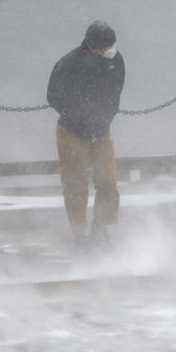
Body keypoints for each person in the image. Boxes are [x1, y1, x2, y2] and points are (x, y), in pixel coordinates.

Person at [46, 20, 125, 243]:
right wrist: (78, 114)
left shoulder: (116, 60)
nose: (106, 51)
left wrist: (107, 115)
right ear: (90, 45)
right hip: (71, 130)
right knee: (75, 184)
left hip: (101, 129)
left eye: (110, 46)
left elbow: (117, 89)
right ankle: (79, 233)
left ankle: (101, 227)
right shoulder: (69, 63)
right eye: (102, 46)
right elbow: (53, 95)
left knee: (108, 181)